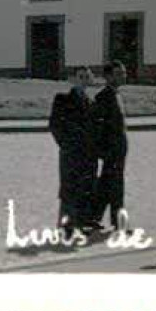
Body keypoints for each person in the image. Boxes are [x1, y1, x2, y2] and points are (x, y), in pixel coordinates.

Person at [48, 67, 99, 234]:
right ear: (73, 79)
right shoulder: (63, 99)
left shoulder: (91, 102)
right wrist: (65, 144)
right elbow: (55, 124)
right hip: (71, 153)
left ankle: (81, 222)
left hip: (88, 154)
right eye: (80, 77)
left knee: (85, 188)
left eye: (86, 77)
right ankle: (66, 225)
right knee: (69, 189)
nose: (83, 80)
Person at [92, 61, 130, 232]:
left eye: (123, 72)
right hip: (111, 151)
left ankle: (92, 217)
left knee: (106, 185)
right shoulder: (103, 97)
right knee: (115, 186)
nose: (123, 76)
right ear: (108, 77)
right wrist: (103, 150)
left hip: (117, 150)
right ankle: (118, 223)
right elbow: (98, 127)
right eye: (118, 73)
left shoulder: (117, 94)